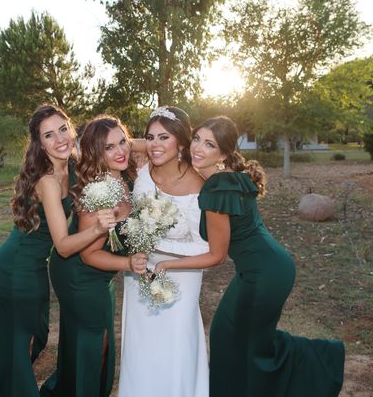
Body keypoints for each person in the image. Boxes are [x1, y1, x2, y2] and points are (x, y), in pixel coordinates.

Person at [0, 104, 117, 397]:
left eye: (63, 129)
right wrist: (98, 228)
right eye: (49, 135)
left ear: (71, 128)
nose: (60, 139)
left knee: (33, 338)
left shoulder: (74, 165)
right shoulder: (48, 182)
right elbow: (64, 247)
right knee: (21, 347)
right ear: (39, 143)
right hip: (15, 269)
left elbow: (123, 147)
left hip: (33, 267)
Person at [154, 115, 345, 397]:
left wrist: (168, 263)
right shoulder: (230, 176)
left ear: (224, 154)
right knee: (241, 340)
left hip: (263, 274)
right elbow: (158, 148)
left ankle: (324, 361)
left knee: (232, 339)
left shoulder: (218, 187)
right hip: (268, 267)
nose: (197, 148)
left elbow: (217, 256)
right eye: (197, 139)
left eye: (209, 144)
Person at [42, 116, 148, 397]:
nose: (120, 151)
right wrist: (128, 263)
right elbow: (89, 255)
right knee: (95, 344)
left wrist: (142, 143)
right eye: (109, 148)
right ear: (96, 154)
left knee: (91, 341)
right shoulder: (98, 193)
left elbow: (146, 146)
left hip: (102, 277)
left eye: (122, 142)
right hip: (80, 273)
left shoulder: (125, 177)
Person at [118, 106, 210, 397]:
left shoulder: (200, 186)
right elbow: (121, 142)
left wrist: (152, 241)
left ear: (181, 142)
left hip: (183, 274)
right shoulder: (143, 171)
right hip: (140, 273)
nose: (155, 145)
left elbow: (205, 246)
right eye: (150, 137)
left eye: (164, 137)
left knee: (175, 346)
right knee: (141, 346)